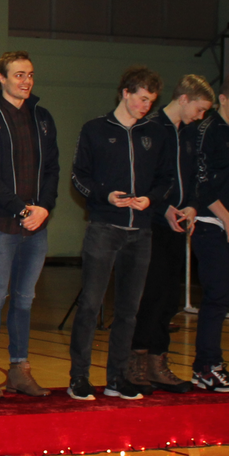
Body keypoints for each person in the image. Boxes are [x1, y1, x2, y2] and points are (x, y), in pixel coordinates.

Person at [68, 66, 172, 402]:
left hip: (140, 232)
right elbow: (79, 177)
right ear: (125, 93)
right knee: (90, 304)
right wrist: (106, 196)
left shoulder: (155, 134)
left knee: (128, 309)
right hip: (104, 228)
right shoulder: (95, 130)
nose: (145, 106)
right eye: (141, 99)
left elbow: (166, 179)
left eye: (151, 101)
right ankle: (79, 377)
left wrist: (150, 199)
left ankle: (117, 378)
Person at [0, 51, 59, 399]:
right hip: (1, 224)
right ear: (2, 78)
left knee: (25, 299)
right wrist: (19, 207)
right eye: (19, 75)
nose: (26, 81)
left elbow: (52, 168)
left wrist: (44, 208)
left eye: (30, 74)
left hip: (36, 226)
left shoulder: (43, 117)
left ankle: (20, 371)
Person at [128, 74, 214, 394]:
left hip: (178, 225)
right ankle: (135, 361)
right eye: (199, 109)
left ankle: (157, 360)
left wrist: (191, 206)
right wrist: (163, 207)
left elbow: (194, 178)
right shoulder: (150, 128)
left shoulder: (189, 134)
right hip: (151, 223)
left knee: (169, 297)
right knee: (149, 294)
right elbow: (142, 178)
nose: (200, 116)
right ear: (183, 99)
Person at [187, 73, 229, 392]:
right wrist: (227, 218)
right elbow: (202, 182)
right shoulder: (207, 130)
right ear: (222, 99)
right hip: (210, 224)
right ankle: (207, 367)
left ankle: (209, 365)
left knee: (222, 297)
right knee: (216, 297)